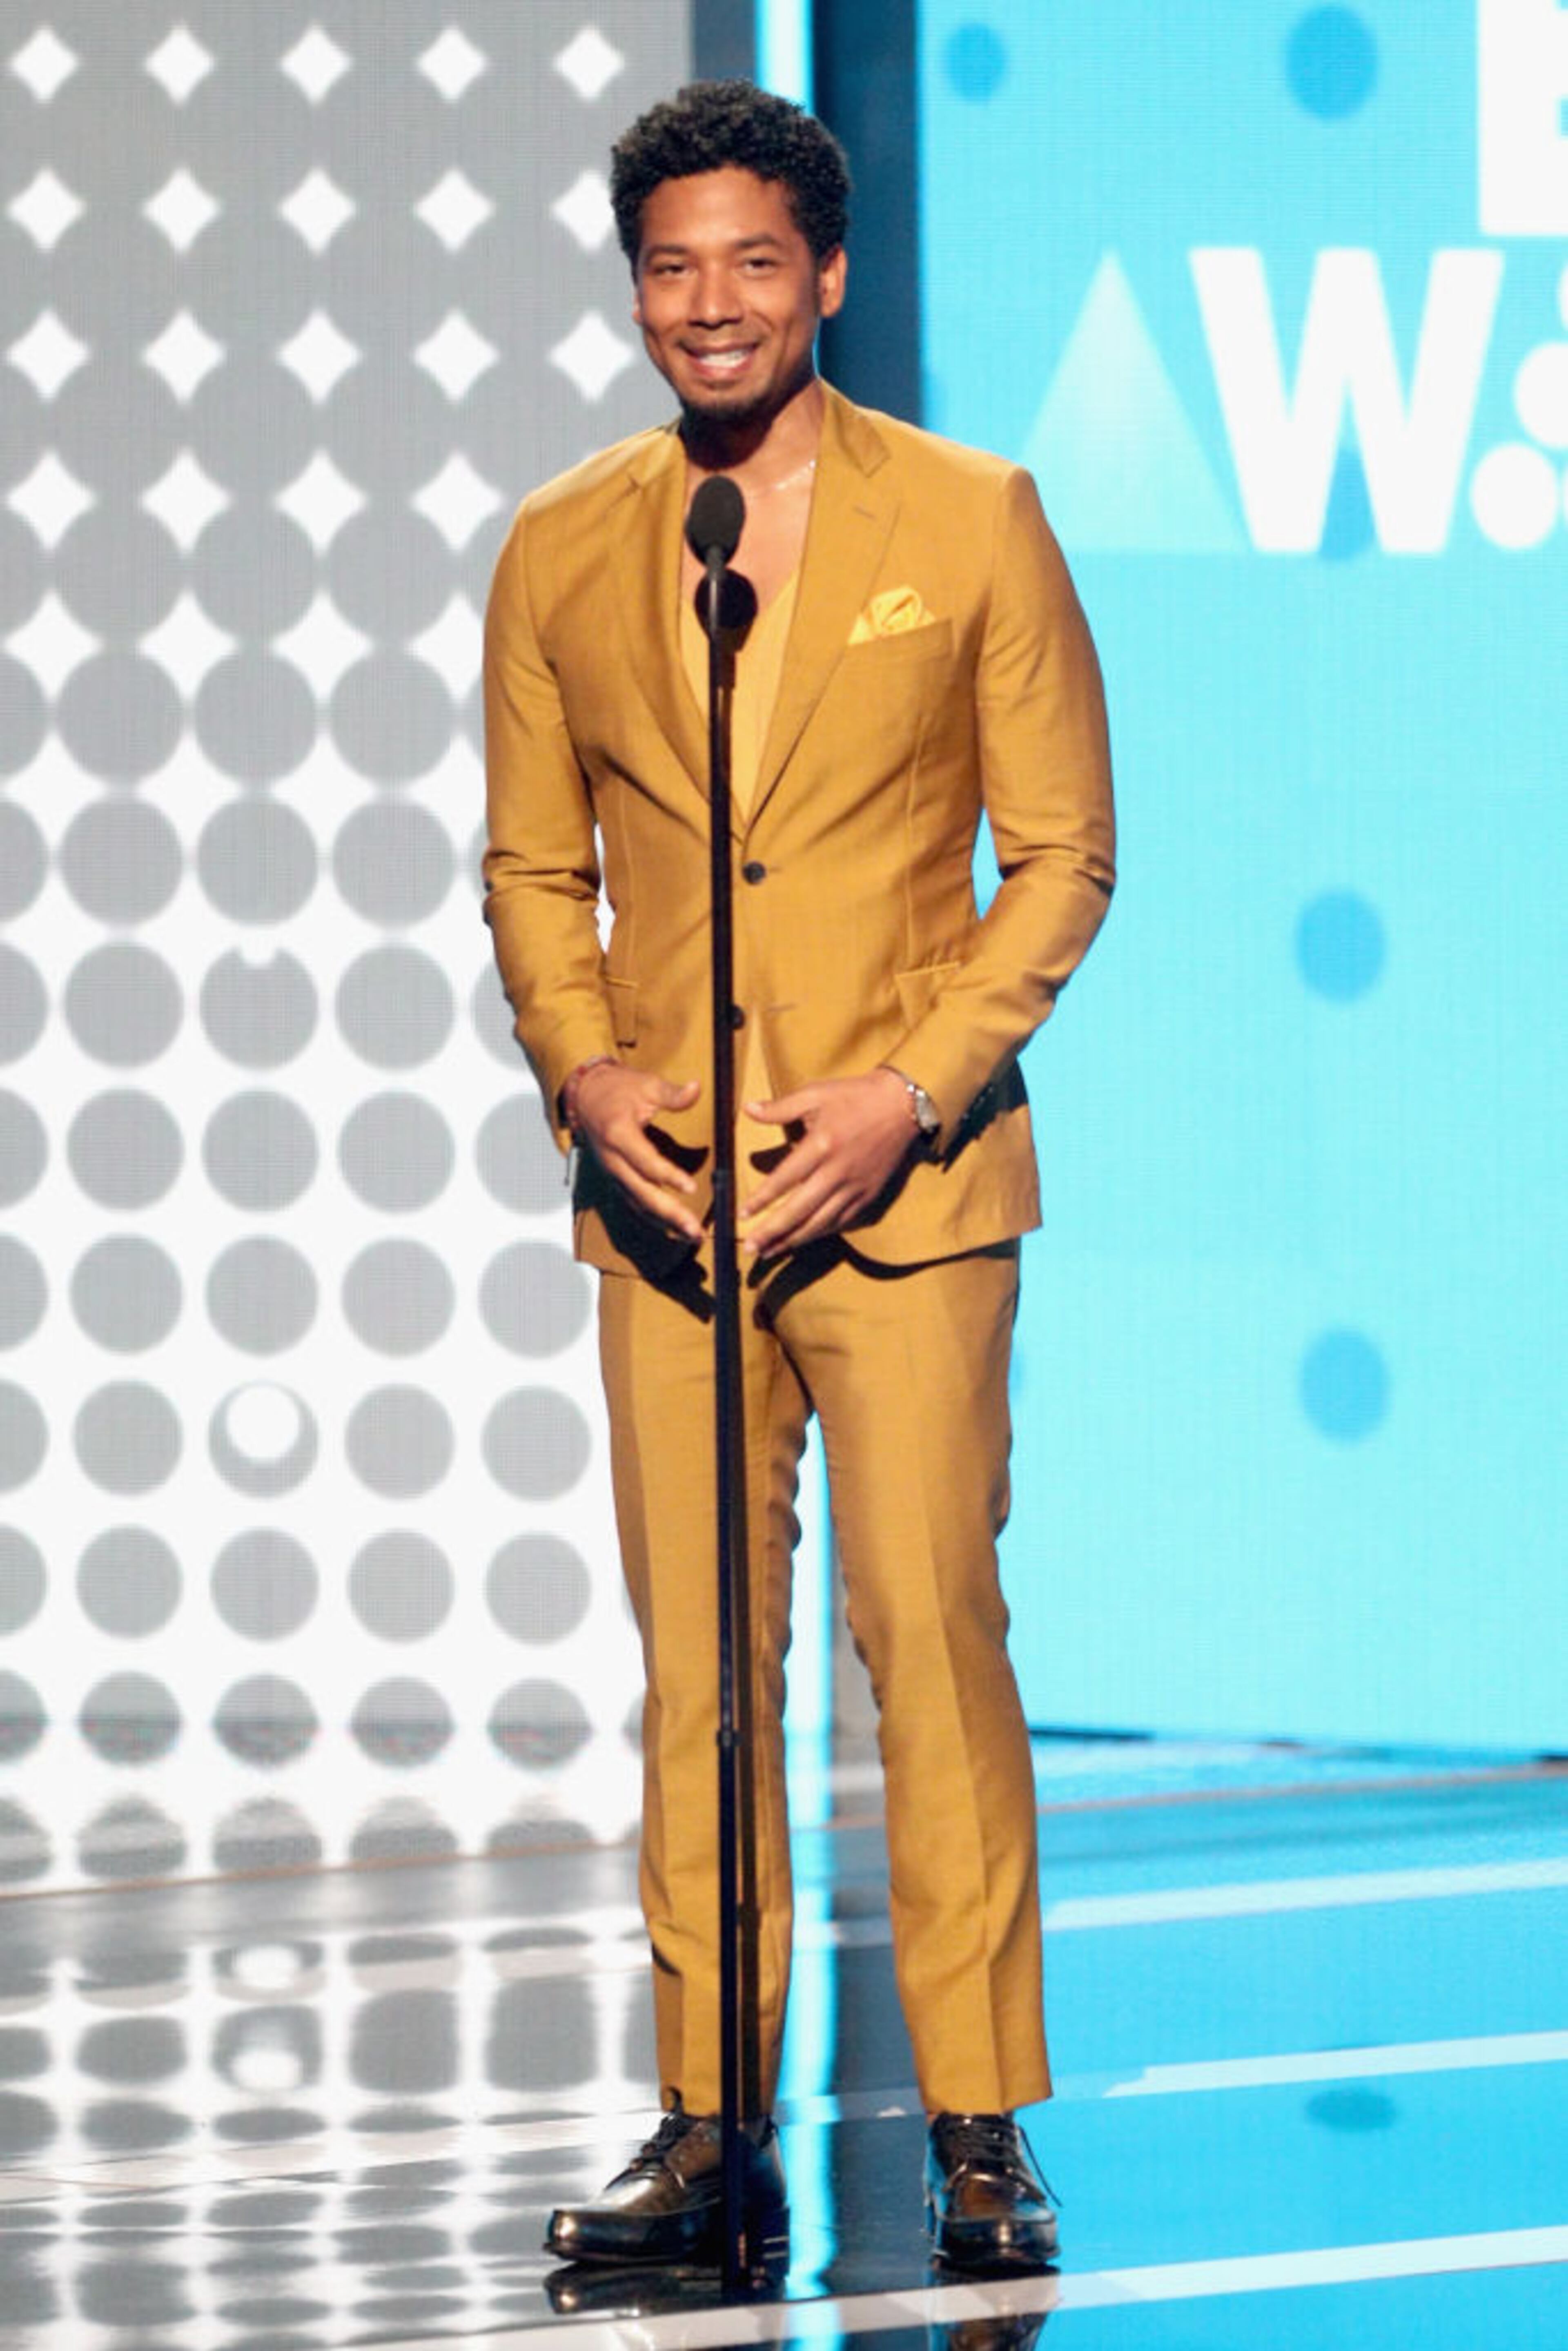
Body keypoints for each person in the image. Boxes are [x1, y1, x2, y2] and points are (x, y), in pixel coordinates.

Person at [483, 80, 1114, 2274]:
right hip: (667, 1209)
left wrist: (911, 1094)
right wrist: (587, 1071)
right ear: (638, 286)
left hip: (904, 1197)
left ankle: (976, 2123)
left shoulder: (975, 515)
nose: (716, 303)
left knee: (929, 1640)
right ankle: (708, 2117)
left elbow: (1065, 859)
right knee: (702, 1672)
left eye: (757, 261)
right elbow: (527, 868)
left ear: (828, 276)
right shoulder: (568, 540)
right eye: (676, 266)